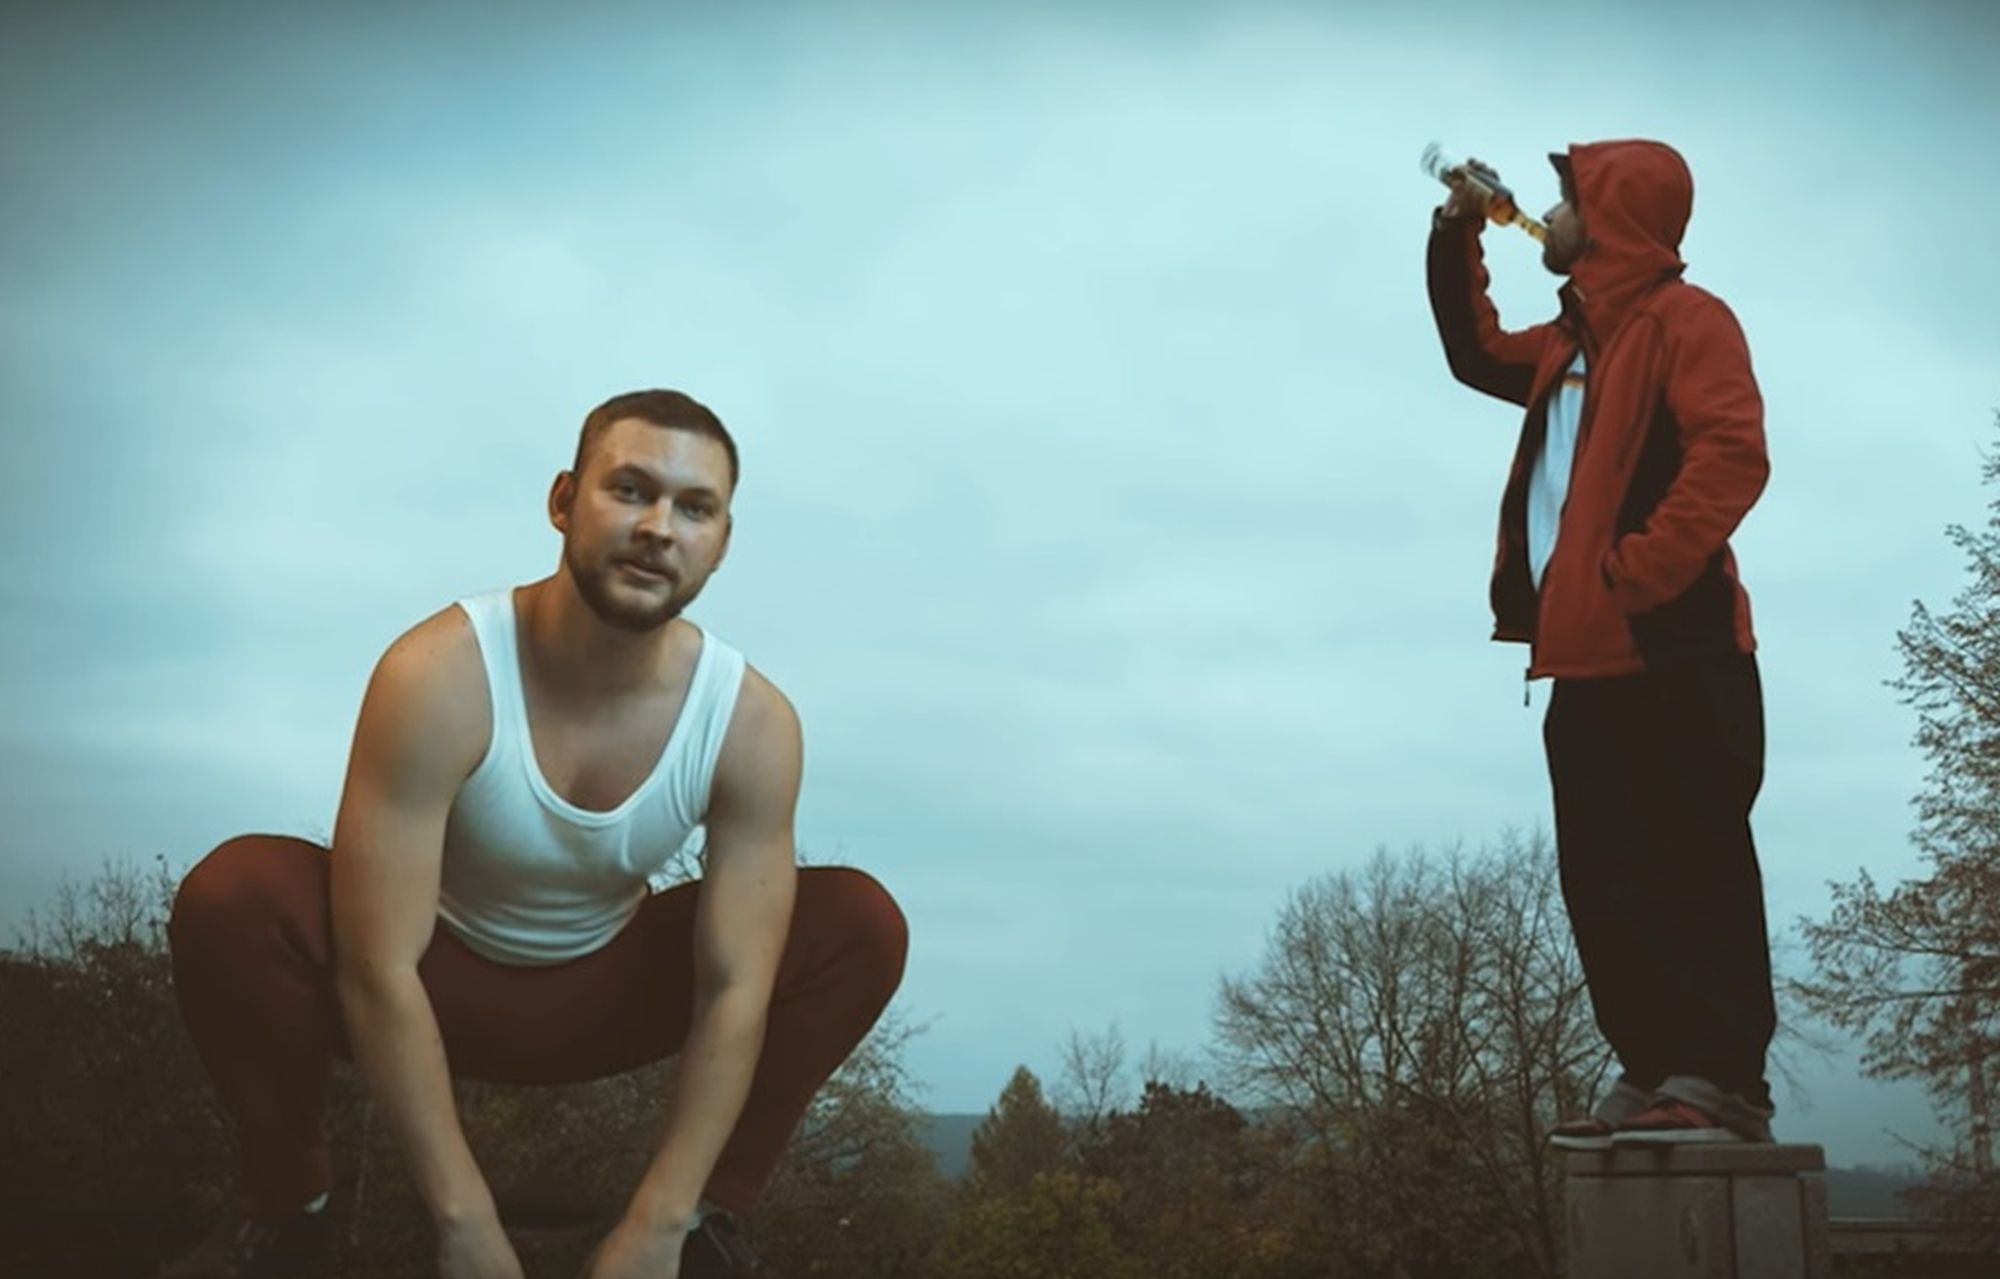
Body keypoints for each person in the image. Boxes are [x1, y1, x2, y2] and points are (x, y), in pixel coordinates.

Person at [159, 389, 909, 1278]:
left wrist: (658, 1219)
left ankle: (704, 1225)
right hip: (429, 974)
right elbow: (378, 963)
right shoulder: (438, 672)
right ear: (563, 500)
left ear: (721, 541)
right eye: (630, 490)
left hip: (605, 992)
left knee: (858, 923)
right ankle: (289, 1205)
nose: (658, 528)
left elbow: (736, 989)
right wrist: (463, 1219)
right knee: (235, 893)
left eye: (694, 507)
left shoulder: (751, 722)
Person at [1427, 141, 1777, 1145]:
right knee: (1604, 883)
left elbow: (1731, 455)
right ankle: (1653, 1068)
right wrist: (1456, 231)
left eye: (1564, 198)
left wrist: (1638, 572)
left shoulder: (1687, 321)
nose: (1547, 213)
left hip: (1676, 652)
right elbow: (1472, 351)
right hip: (1580, 665)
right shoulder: (1567, 343)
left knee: (1691, 866)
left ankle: (1720, 1080)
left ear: (1612, 215)